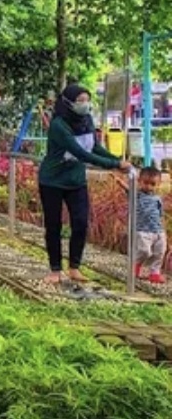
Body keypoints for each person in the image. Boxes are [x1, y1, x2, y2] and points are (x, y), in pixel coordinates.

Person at [38, 83, 129, 286]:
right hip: (52, 181)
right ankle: (55, 269)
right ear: (68, 102)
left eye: (87, 100)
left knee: (80, 222)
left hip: (76, 181)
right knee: (53, 226)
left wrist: (116, 160)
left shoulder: (86, 120)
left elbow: (95, 147)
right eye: (80, 101)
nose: (85, 105)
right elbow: (81, 153)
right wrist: (114, 164)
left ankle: (74, 267)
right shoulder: (59, 125)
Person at [135, 166, 167, 284]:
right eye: (145, 183)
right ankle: (136, 265)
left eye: (152, 184)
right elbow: (128, 190)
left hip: (158, 230)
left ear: (158, 184)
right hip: (143, 230)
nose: (148, 186)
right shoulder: (137, 195)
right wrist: (119, 182)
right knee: (145, 251)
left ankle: (155, 273)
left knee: (160, 252)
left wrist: (163, 229)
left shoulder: (157, 198)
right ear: (140, 181)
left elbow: (160, 214)